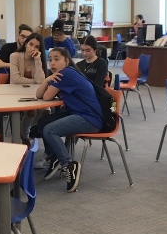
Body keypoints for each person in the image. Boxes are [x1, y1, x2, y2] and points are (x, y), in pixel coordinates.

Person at [35, 47, 103, 192]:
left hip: (90, 118)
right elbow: (38, 95)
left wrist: (47, 81)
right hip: (79, 113)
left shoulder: (65, 74)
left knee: (49, 130)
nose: (52, 63)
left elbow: (46, 96)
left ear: (66, 61)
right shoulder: (64, 73)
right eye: (50, 59)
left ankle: (68, 165)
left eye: (57, 59)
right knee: (43, 122)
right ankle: (54, 156)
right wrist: (47, 80)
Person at [10, 33, 47, 144]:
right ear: (26, 44)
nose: (33, 48)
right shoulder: (14, 56)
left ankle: (27, 131)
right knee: (32, 111)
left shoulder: (37, 59)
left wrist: (37, 60)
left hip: (33, 93)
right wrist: (34, 81)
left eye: (37, 46)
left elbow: (41, 80)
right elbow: (16, 79)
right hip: (15, 93)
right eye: (31, 44)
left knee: (46, 111)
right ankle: (25, 135)